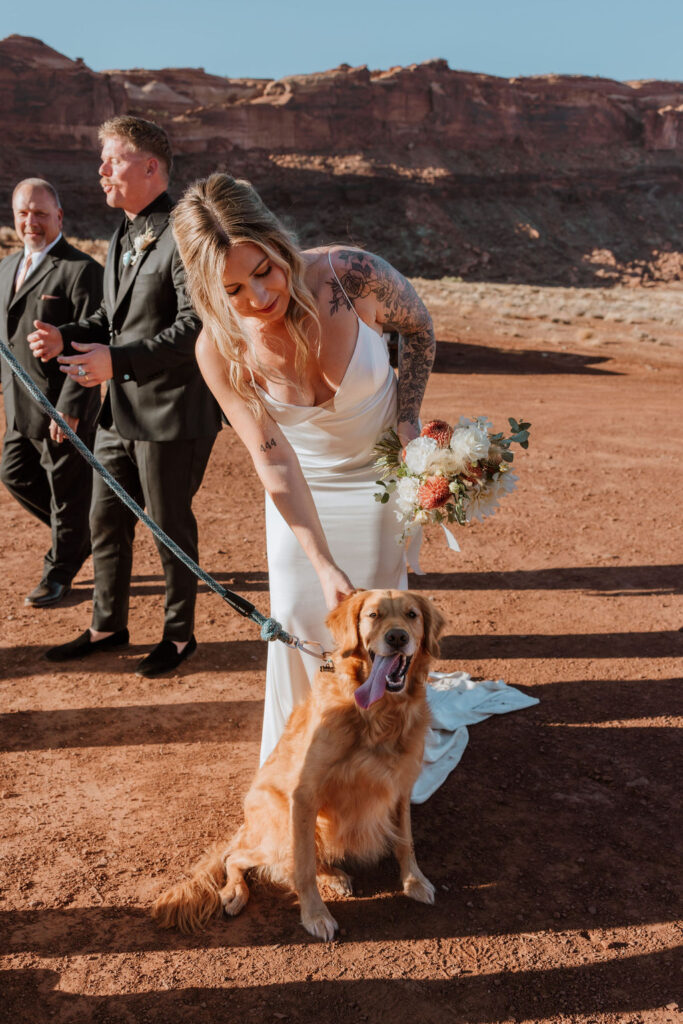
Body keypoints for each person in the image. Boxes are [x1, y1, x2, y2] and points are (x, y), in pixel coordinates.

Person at [171, 173, 436, 761]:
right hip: (301, 485)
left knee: (378, 619)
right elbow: (276, 463)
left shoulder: (350, 273)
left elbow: (420, 330)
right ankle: (303, 768)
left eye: (264, 270)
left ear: (277, 241)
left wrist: (408, 419)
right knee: (297, 611)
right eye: (234, 289)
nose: (259, 297)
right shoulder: (219, 348)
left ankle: (379, 765)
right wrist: (321, 562)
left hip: (378, 478)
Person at [31, 116, 221, 676]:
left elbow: (196, 327)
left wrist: (115, 361)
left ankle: (180, 635)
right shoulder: (122, 232)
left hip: (172, 413)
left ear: (150, 166)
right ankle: (107, 625)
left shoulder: (187, 232)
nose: (101, 170)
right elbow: (112, 320)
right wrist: (70, 337)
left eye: (111, 160)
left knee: (168, 525)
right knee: (105, 521)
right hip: (117, 412)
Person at [0, 178, 103, 607]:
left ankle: (59, 570)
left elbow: (89, 341)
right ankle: (81, 538)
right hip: (18, 405)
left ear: (59, 216)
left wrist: (73, 408)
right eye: (23, 212)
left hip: (61, 408)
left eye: (40, 213)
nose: (31, 221)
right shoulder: (5, 267)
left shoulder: (81, 270)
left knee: (67, 492)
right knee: (14, 472)